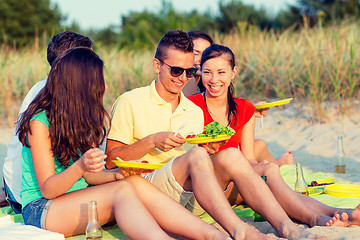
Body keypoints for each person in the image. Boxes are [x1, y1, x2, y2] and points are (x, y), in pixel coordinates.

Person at [105, 29, 324, 239]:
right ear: (157, 65)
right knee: (199, 156)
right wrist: (152, 141)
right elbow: (111, 161)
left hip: (191, 198)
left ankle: (287, 227)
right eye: (176, 70)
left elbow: (195, 162)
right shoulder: (130, 101)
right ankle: (240, 230)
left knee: (231, 155)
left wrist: (208, 151)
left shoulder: (192, 111)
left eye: (189, 72)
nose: (182, 78)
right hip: (149, 191)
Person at [16, 47, 230, 240]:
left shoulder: (82, 118)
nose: (105, 86)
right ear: (79, 85)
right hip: (42, 208)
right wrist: (80, 165)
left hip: (74, 197)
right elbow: (48, 189)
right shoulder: (40, 123)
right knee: (122, 192)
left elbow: (89, 176)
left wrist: (118, 174)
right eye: (99, 80)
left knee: (133, 183)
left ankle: (210, 234)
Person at [188, 43, 360, 228]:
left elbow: (249, 160)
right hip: (207, 186)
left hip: (235, 182)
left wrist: (264, 166)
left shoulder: (245, 108)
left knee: (269, 171)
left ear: (233, 72)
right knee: (269, 178)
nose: (214, 79)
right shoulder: (190, 106)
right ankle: (315, 219)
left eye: (221, 72)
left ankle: (338, 213)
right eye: (207, 72)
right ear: (201, 73)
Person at [3, 31, 93, 214]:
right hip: (30, 194)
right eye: (87, 60)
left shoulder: (55, 90)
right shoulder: (46, 96)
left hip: (45, 183)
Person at [183, 30, 293, 166]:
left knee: (260, 146)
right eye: (196, 53)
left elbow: (223, 106)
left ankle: (274, 165)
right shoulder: (186, 83)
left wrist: (251, 111)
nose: (202, 58)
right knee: (257, 150)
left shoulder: (206, 80)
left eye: (206, 52)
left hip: (224, 153)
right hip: (203, 160)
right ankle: (276, 165)